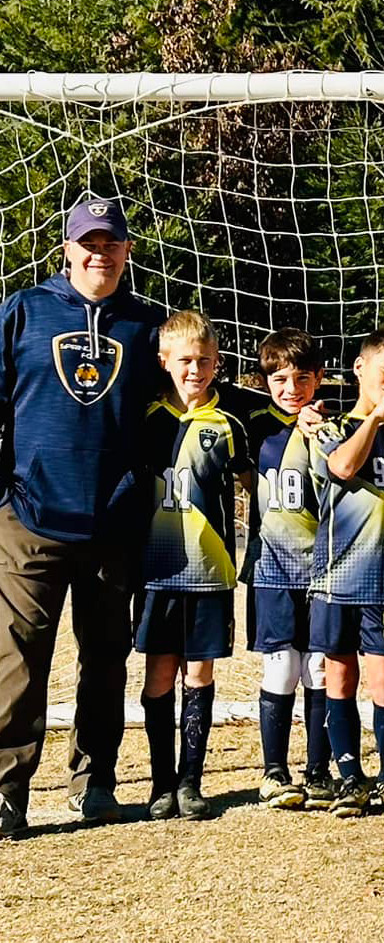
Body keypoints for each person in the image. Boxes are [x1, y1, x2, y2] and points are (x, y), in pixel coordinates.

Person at [0, 197, 163, 837]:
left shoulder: (144, 325)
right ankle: (7, 791)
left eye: (112, 243)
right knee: (16, 659)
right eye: (88, 242)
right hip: (31, 518)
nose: (100, 253)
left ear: (127, 251)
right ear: (66, 248)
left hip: (112, 524)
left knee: (105, 657)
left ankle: (94, 782)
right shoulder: (24, 310)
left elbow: (193, 388)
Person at [134, 311, 251, 821]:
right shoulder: (144, 418)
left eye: (205, 360)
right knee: (159, 673)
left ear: (217, 362)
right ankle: (161, 782)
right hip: (157, 570)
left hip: (211, 571)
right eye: (185, 360)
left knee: (199, 672)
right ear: (164, 361)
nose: (195, 369)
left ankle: (190, 783)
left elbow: (253, 482)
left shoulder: (230, 422)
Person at [310, 327, 384, 817]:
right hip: (336, 577)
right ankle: (350, 777)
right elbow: (342, 467)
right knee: (339, 677)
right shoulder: (327, 429)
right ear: (360, 370)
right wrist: (374, 418)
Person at [240, 328, 334, 810]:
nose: (291, 388)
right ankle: (275, 772)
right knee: (282, 666)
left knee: (319, 666)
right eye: (279, 377)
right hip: (271, 569)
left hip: (322, 570)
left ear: (319, 378)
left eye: (302, 377)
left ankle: (319, 770)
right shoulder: (252, 423)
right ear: (265, 380)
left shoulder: (329, 430)